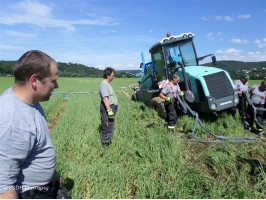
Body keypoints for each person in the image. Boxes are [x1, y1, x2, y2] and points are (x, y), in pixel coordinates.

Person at [0, 50, 60, 198]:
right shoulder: (13, 123)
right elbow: (4, 186)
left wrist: (51, 173)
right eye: (53, 80)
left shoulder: (28, 102)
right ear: (34, 81)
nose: (56, 86)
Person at [99, 67, 118, 145]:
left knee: (110, 124)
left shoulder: (107, 84)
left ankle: (109, 141)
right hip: (108, 107)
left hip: (111, 107)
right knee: (107, 125)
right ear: (107, 75)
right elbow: (105, 99)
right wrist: (109, 111)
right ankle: (105, 143)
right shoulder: (104, 85)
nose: (113, 77)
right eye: (112, 75)